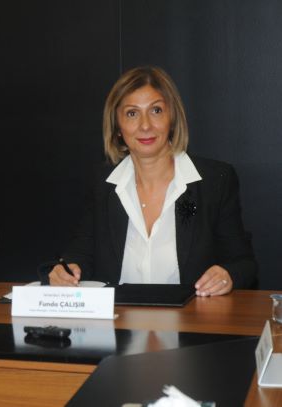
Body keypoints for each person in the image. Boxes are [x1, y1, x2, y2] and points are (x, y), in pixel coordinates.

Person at [48, 66, 257, 296]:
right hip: (119, 317)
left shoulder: (214, 181)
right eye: (132, 113)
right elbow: (79, 254)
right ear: (118, 127)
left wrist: (228, 275)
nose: (145, 125)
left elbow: (243, 264)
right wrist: (66, 270)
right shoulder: (103, 184)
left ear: (172, 118)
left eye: (156, 110)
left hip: (190, 317)